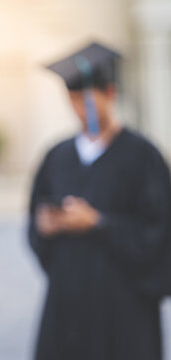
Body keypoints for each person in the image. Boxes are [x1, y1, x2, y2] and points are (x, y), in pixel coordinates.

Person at [28, 42, 171, 360]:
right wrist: (45, 225)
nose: (81, 109)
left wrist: (98, 223)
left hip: (126, 309)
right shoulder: (57, 156)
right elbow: (35, 223)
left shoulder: (142, 155)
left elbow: (160, 233)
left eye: (88, 99)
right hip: (67, 304)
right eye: (74, 99)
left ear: (110, 94)